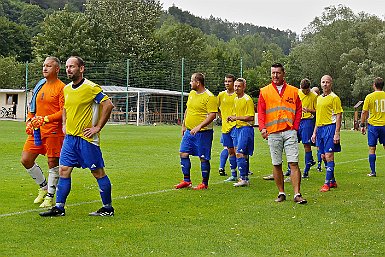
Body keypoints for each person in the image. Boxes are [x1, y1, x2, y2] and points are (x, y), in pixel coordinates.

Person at [40, 56, 115, 216]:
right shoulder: (66, 89)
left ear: (81, 68)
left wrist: (97, 127)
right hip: (70, 139)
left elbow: (108, 105)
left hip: (87, 140)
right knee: (64, 170)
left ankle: (107, 208)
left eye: (72, 67)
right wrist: (64, 124)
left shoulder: (91, 87)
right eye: (67, 67)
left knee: (98, 172)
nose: (69, 70)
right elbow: (66, 108)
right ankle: (59, 208)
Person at [258, 63, 307, 204]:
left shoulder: (293, 90)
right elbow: (261, 111)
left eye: (278, 73)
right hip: (273, 133)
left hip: (289, 131)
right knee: (276, 163)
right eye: (273, 73)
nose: (275, 75)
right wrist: (262, 128)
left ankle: (297, 194)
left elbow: (299, 109)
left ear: (283, 73)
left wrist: (295, 127)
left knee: (294, 163)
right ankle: (281, 192)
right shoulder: (265, 91)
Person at [20, 56, 65, 208]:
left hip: (54, 131)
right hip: (37, 131)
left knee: (53, 163)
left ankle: (50, 197)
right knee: (26, 159)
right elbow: (32, 107)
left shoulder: (61, 88)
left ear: (57, 69)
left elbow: (63, 112)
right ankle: (43, 187)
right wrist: (29, 120)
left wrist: (45, 119)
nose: (45, 68)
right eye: (44, 65)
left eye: (49, 66)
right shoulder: (40, 84)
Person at [175, 72, 218, 190]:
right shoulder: (192, 94)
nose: (190, 83)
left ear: (198, 83)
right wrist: (184, 125)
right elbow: (188, 109)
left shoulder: (209, 97)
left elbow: (212, 115)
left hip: (204, 133)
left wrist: (199, 126)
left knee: (203, 157)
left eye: (192, 80)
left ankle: (204, 183)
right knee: (183, 153)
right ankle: (186, 180)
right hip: (189, 131)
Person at [311, 75, 343, 192]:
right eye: (323, 82)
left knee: (329, 155)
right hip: (320, 129)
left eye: (327, 82)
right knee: (323, 156)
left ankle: (326, 184)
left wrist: (337, 133)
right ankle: (333, 181)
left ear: (331, 84)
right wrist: (314, 133)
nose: (325, 84)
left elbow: (339, 115)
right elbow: (318, 117)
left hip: (330, 128)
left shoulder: (334, 98)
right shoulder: (318, 98)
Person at [227, 78, 255, 186]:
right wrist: (232, 118)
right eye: (235, 86)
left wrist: (236, 118)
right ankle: (245, 177)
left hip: (245, 129)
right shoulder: (235, 99)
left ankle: (243, 179)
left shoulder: (247, 100)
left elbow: (251, 117)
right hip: (237, 129)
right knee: (241, 153)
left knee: (239, 153)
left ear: (244, 87)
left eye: (239, 86)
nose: (236, 88)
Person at [360, 77, 385, 177]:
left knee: (372, 148)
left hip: (373, 126)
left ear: (374, 85)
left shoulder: (369, 97)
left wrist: (362, 124)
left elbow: (364, 112)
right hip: (384, 125)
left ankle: (373, 171)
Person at [217, 74, 238, 180]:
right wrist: (222, 117)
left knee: (238, 150)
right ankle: (233, 175)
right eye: (225, 81)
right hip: (225, 127)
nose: (227, 83)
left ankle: (244, 174)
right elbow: (215, 108)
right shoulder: (221, 95)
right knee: (230, 150)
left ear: (234, 83)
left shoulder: (238, 95)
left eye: (229, 81)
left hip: (236, 126)